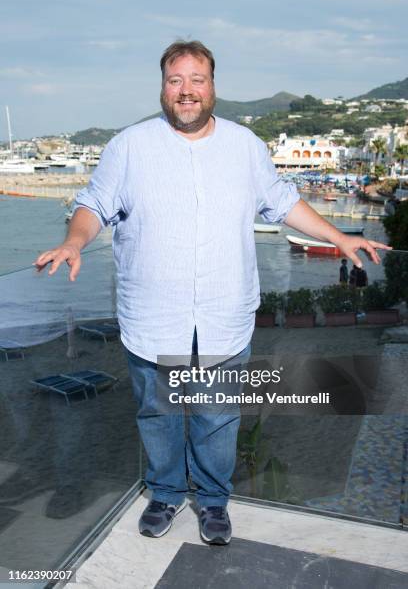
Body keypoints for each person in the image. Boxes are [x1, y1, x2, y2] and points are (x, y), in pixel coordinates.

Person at [34, 40, 390, 545]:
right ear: (162, 87)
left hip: (224, 313)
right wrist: (74, 240)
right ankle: (164, 494)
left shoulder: (245, 145)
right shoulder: (129, 146)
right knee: (157, 414)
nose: (186, 91)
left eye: (196, 80)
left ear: (213, 86)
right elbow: (93, 205)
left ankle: (213, 502)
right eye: (175, 80)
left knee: (217, 416)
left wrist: (339, 237)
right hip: (152, 316)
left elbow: (284, 202)